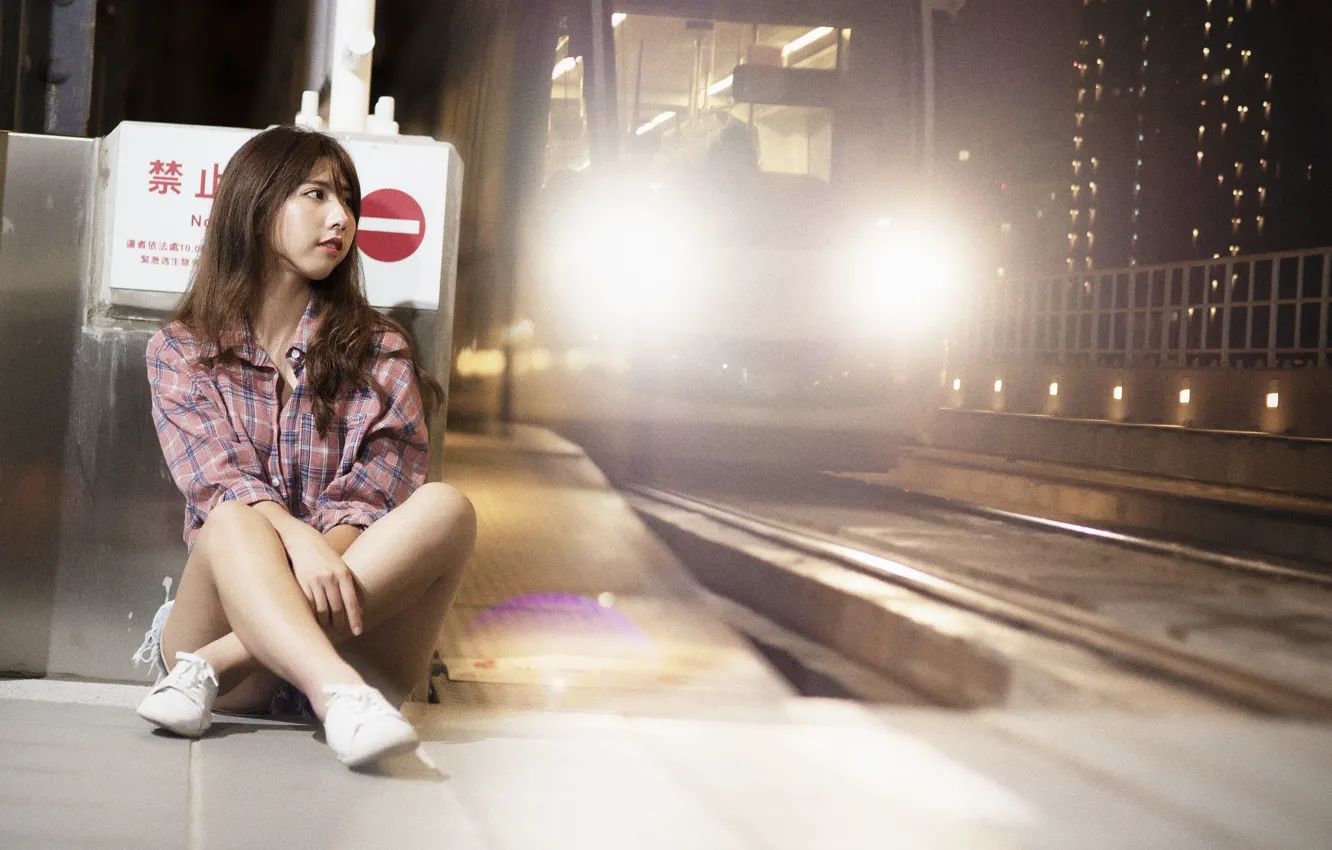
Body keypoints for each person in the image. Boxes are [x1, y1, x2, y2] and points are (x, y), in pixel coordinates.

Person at [132, 126, 476, 769]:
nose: (340, 217)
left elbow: (368, 502)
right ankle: (334, 694)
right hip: (229, 627)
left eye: (347, 200)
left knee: (447, 507)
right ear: (256, 206)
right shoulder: (181, 351)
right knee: (234, 519)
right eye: (316, 194)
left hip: (353, 631)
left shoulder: (382, 351)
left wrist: (322, 550)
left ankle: (219, 669)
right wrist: (299, 538)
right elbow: (219, 485)